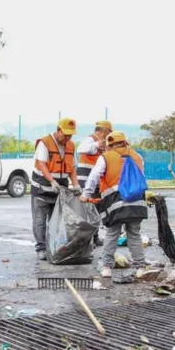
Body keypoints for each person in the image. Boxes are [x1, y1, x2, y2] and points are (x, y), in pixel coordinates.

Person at [80, 131, 148, 278]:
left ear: (109, 145)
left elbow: (93, 177)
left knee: (112, 234)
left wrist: (86, 195)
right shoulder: (137, 156)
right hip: (138, 202)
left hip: (116, 203)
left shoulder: (105, 157)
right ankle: (140, 267)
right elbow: (142, 177)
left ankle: (106, 267)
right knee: (134, 235)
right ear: (125, 143)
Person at [30, 117, 80, 260]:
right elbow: (41, 164)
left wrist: (75, 183)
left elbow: (72, 167)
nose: (67, 138)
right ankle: (41, 248)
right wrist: (51, 180)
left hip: (59, 190)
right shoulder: (45, 143)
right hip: (41, 189)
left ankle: (53, 247)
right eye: (65, 134)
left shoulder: (71, 145)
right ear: (58, 130)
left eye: (70, 135)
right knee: (40, 221)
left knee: (56, 221)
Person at [77, 120, 113, 247]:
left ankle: (95, 236)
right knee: (88, 211)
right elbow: (82, 149)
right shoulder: (89, 140)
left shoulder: (104, 145)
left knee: (96, 211)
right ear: (104, 131)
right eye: (109, 133)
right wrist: (98, 144)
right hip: (86, 180)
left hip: (97, 183)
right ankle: (87, 239)